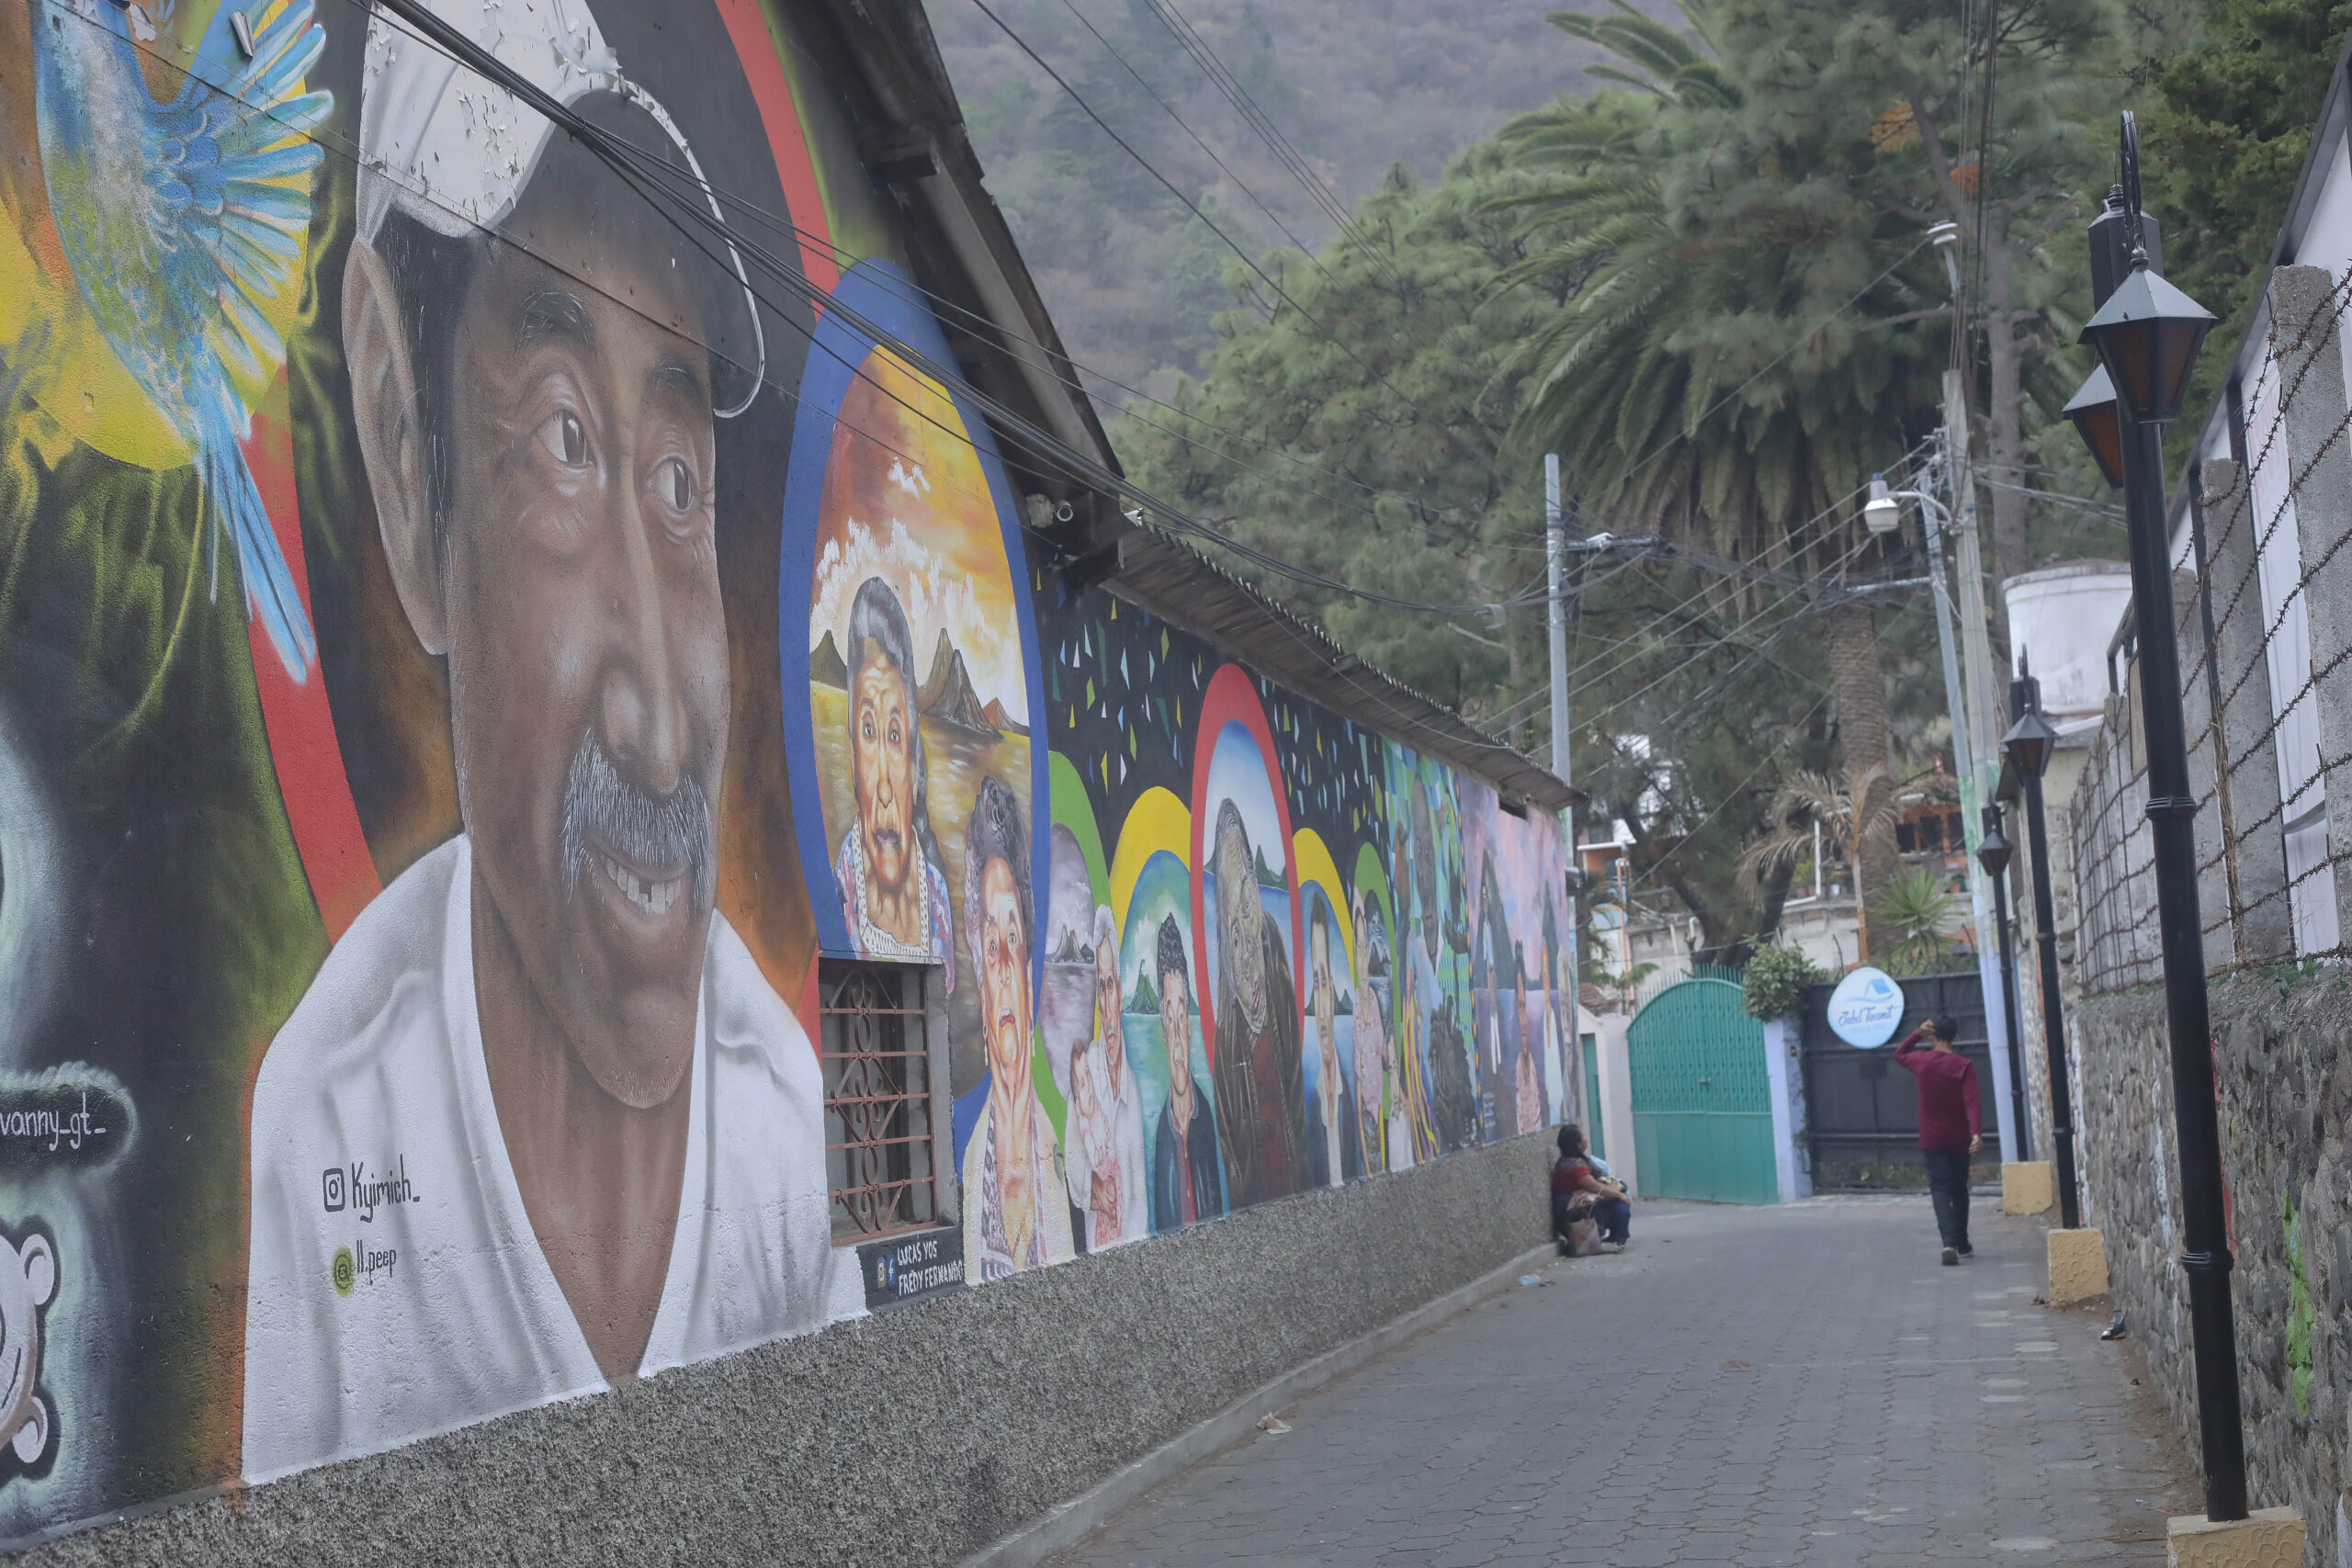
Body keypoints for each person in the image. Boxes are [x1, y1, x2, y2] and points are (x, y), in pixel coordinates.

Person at [242, 0, 830, 1484]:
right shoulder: (333, 1116)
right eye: (563, 441)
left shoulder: (783, 1113)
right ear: (402, 443)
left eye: (680, 482)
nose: (659, 731)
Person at [959, 778, 1073, 1280]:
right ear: (983, 988)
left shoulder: (1056, 1149)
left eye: (1013, 936)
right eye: (991, 945)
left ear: (1029, 972)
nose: (1004, 966)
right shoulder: (971, 1168)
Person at [831, 577, 955, 975]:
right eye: (868, 731)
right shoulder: (840, 895)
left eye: (896, 735)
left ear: (915, 769)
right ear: (853, 756)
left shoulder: (936, 899)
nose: (884, 788)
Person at [1207, 801, 1306, 1207]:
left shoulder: (1275, 961)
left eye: (1249, 901)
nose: (1247, 942)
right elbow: (1234, 1171)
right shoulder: (1226, 1044)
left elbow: (1298, 1100)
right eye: (1234, 930)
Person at [1150, 915, 1225, 1231]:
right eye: (1170, 1020)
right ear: (1163, 1033)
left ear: (1191, 1027)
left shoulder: (1205, 1118)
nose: (1178, 1039)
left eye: (1182, 1018)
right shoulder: (1162, 1136)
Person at [1894, 1015, 1982, 1265]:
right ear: (1955, 1037)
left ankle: (1948, 1242)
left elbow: (1899, 1055)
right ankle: (1962, 1242)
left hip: (1932, 1138)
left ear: (1933, 1036)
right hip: (1959, 1138)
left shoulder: (1922, 1062)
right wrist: (1976, 1132)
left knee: (1940, 1189)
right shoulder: (1963, 1066)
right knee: (1959, 1190)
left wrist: (1916, 1034)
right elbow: (1972, 1101)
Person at [1089, 906, 1149, 1245]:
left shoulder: (1132, 1091)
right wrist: (1096, 1191)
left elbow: (1139, 1193)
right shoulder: (1085, 1077)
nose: (1106, 996)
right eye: (1100, 986)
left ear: (1120, 992)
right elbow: (1076, 1176)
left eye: (1110, 984)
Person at [1303, 908, 1360, 1189]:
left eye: (1324, 981)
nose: (1322, 1006)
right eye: (1315, 982)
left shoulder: (1350, 1095)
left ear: (1333, 988)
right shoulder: (1311, 1109)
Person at [1551, 1123, 1630, 1250]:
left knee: (1617, 1196)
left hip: (1574, 1208)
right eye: (1583, 1135)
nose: (1586, 1137)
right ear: (1578, 1144)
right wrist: (1620, 1195)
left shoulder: (1570, 1161)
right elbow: (1594, 1187)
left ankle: (1613, 1237)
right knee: (1619, 1205)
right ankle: (1617, 1239)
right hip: (1573, 1213)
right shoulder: (1575, 1166)